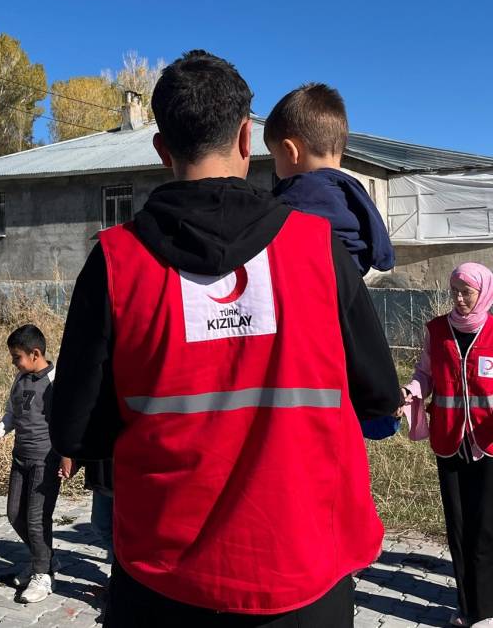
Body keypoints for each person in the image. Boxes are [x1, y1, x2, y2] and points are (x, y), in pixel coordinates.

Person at [51, 49, 401, 627]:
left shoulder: (115, 261)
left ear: (162, 150)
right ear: (247, 137)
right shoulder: (319, 249)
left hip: (162, 584)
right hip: (305, 575)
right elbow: (380, 396)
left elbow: (74, 430)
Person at [401, 263, 493, 628]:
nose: (460, 299)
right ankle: (468, 610)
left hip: (491, 443)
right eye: (455, 292)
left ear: (485, 293)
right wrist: (411, 390)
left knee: (490, 528)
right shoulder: (436, 330)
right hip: (450, 441)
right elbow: (425, 374)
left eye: (467, 292)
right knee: (460, 528)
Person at [264, 82, 400, 440]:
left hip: (302, 345)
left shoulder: (298, 201)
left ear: (290, 151)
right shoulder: (353, 199)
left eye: (274, 158)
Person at [264, 82, 395, 277]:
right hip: (349, 290)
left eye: (275, 157)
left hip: (312, 292)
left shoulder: (300, 192)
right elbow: (384, 256)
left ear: (291, 151)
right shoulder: (353, 191)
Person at [0, 323, 71, 605]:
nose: (13, 363)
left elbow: (67, 421)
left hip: (46, 462)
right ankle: (43, 559)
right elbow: (11, 415)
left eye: (16, 357)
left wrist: (69, 455)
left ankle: (43, 575)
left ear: (35, 354)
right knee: (14, 515)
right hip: (20, 458)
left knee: (36, 520)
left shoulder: (58, 380)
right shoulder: (20, 380)